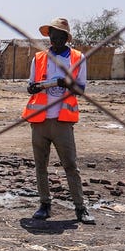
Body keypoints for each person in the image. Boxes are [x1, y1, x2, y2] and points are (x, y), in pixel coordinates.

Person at [23, 17, 94, 224]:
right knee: (40, 166)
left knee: (70, 166)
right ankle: (44, 205)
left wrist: (67, 83)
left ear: (66, 37)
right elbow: (30, 86)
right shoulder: (39, 58)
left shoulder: (77, 58)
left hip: (63, 121)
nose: (54, 38)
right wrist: (35, 87)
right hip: (39, 120)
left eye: (58, 35)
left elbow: (81, 89)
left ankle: (80, 208)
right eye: (51, 35)